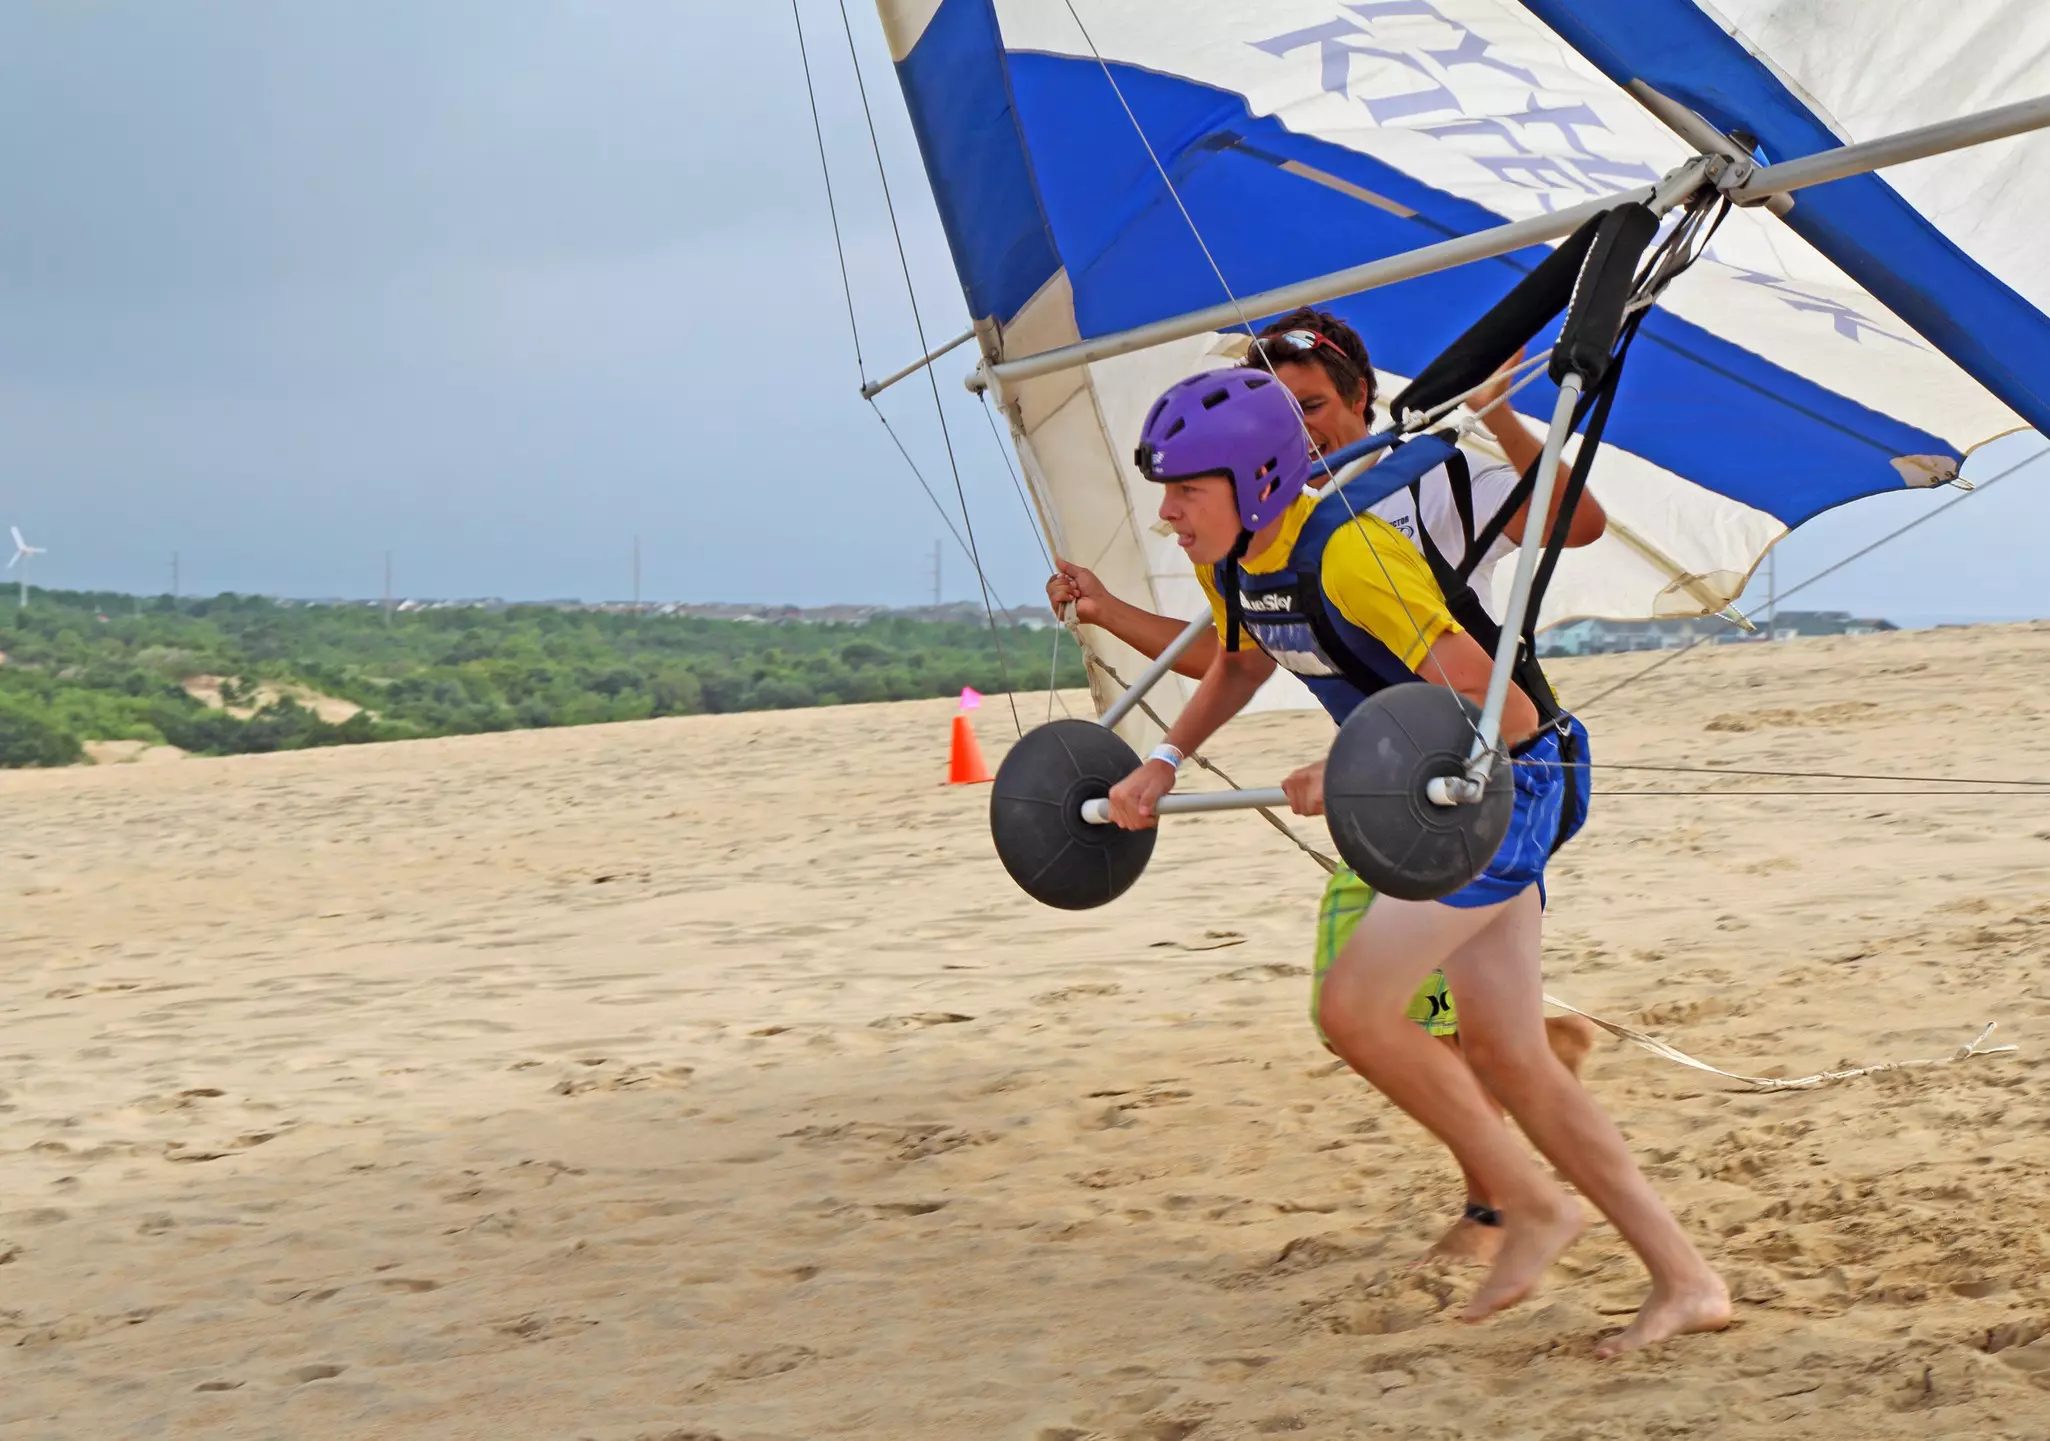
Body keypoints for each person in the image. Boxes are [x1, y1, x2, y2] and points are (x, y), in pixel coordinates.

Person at [1103, 368, 1728, 1355]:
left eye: (1187, 488)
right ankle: (1687, 1280)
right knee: (1508, 1052)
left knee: (1355, 1008)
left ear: (1259, 476)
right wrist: (1163, 761)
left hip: (1510, 780)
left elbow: (1506, 711)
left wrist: (1355, 760)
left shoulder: (1352, 554)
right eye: (1165, 491)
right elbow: (1238, 657)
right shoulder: (1230, 561)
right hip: (1437, 788)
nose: (1168, 513)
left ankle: (1527, 1203)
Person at [1052, 307, 1605, 1263]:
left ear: (1361, 397)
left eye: (1315, 407)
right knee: (1387, 1012)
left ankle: (1500, 1205)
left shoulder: (1423, 481)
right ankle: (1527, 1097)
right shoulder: (1266, 526)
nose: (1303, 429)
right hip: (1383, 789)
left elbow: (1577, 525)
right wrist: (1109, 621)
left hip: (1471, 771)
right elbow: (1233, 654)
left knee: (1380, 1010)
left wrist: (1500, 415)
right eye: (1284, 412)